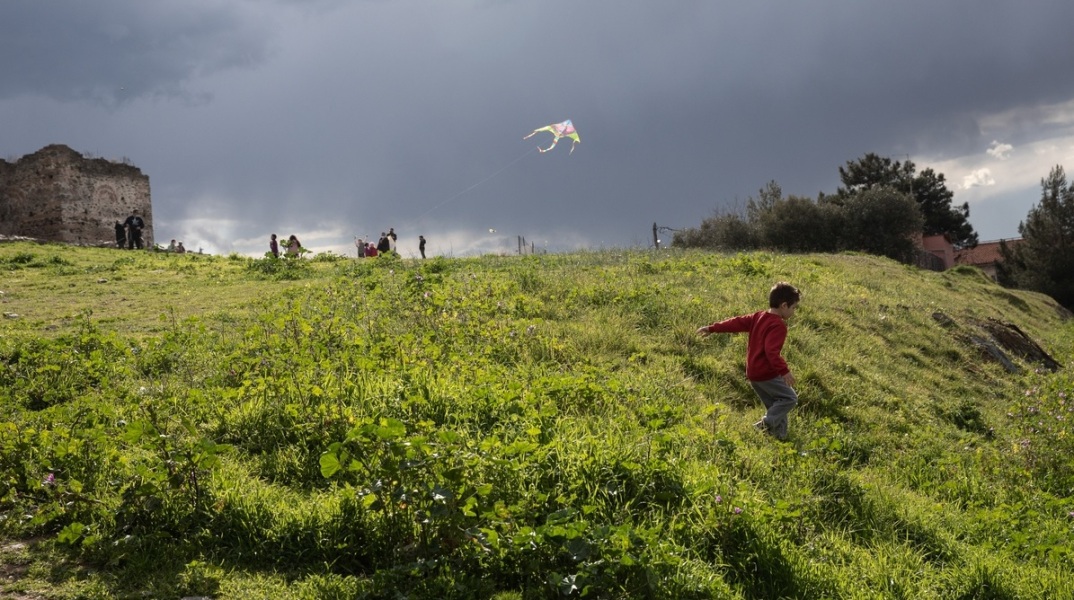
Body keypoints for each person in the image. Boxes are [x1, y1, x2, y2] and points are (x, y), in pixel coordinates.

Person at [697, 282, 801, 440]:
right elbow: (771, 352)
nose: (794, 312)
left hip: (753, 373)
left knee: (776, 405)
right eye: (794, 308)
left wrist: (712, 328)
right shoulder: (778, 325)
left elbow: (736, 322)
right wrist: (785, 371)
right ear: (784, 305)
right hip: (767, 373)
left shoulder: (758, 316)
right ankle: (764, 425)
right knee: (789, 398)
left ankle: (779, 437)